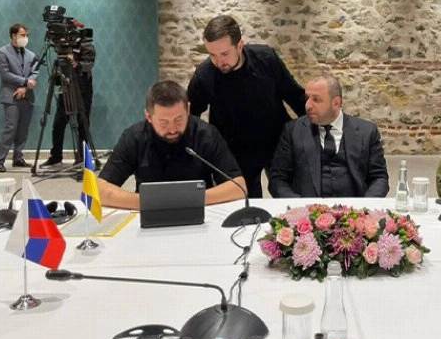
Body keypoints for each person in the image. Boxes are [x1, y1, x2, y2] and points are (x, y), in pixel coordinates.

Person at [187, 15, 306, 198]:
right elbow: (191, 118)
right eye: (212, 55)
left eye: (224, 54)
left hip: (276, 139)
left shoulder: (266, 58)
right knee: (246, 203)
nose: (219, 61)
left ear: (240, 45)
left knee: (288, 196)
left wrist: (311, 133)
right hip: (236, 150)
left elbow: (294, 95)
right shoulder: (204, 75)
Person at [97, 80, 246, 210]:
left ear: (188, 109)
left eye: (178, 119)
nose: (173, 129)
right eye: (164, 122)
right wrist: (149, 203)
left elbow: (238, 187)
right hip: (148, 214)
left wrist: (188, 201)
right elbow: (99, 189)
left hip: (199, 213)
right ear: (149, 116)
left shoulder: (206, 134)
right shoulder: (134, 138)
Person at [268, 71, 389, 198]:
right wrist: (299, 205)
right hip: (307, 207)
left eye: (316, 99)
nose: (308, 105)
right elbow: (277, 179)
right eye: (307, 98)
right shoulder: (293, 131)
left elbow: (379, 177)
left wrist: (365, 205)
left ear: (336, 103)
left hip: (354, 207)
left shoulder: (367, 131)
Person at [40, 37, 96, 167]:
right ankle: (56, 156)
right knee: (58, 124)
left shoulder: (86, 45)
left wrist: (75, 63)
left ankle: (82, 157)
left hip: (82, 90)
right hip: (66, 89)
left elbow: (88, 65)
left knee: (82, 124)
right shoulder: (62, 47)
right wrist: (57, 75)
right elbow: (60, 71)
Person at [0, 23, 39, 172]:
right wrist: (25, 82)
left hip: (27, 95)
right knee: (11, 128)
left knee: (23, 129)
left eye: (27, 35)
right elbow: (5, 74)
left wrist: (25, 87)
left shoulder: (31, 55)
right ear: (13, 36)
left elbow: (35, 73)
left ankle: (18, 158)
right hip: (11, 96)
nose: (25, 38)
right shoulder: (1, 53)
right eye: (22, 35)